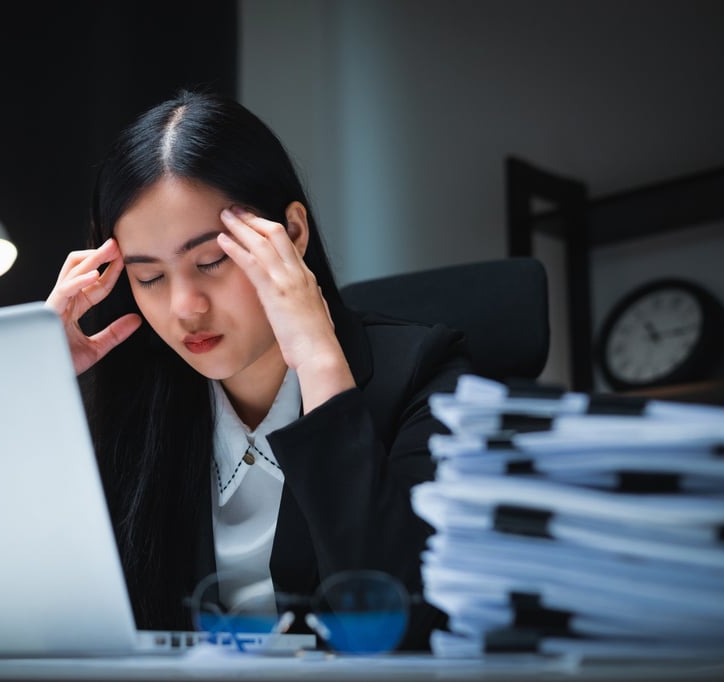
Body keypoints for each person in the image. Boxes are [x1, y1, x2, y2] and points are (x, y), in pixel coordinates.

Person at [46, 90, 469, 650]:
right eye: (149, 278)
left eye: (212, 262)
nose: (184, 308)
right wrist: (38, 390)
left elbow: (402, 624)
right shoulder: (138, 390)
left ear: (290, 233)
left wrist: (320, 362)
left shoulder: (421, 374)